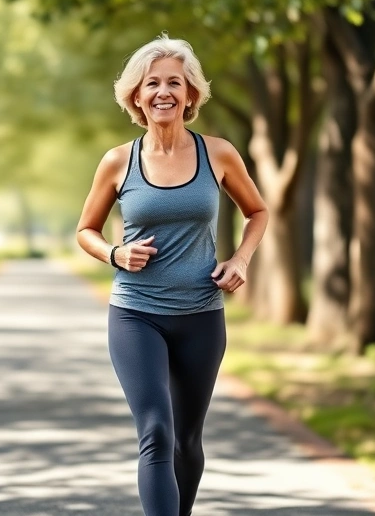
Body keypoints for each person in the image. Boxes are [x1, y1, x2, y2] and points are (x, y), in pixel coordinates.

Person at [75, 34, 268, 516]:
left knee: (186, 439)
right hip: (137, 315)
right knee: (156, 432)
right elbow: (85, 231)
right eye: (152, 83)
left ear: (190, 94)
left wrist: (240, 259)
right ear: (136, 96)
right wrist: (116, 255)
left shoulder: (218, 154)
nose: (163, 91)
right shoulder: (119, 161)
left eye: (174, 83)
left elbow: (258, 212)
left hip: (201, 316)